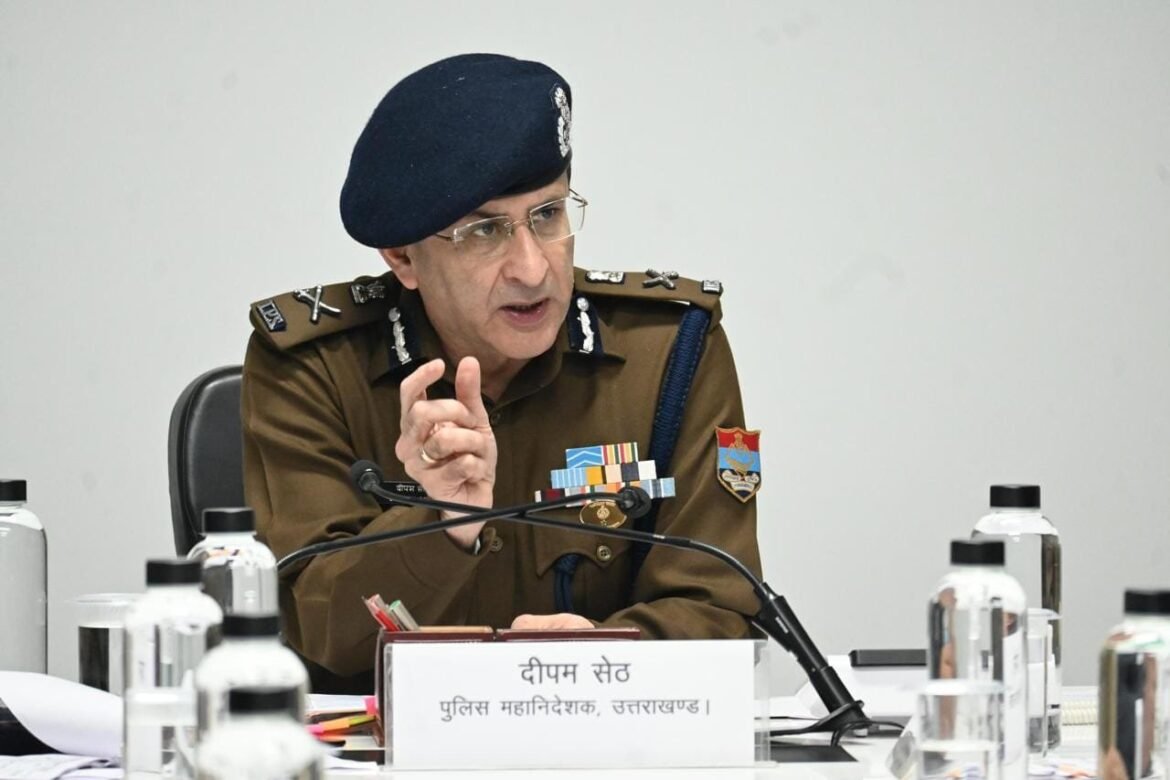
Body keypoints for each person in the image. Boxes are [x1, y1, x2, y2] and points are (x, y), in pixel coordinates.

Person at [241, 53, 764, 692]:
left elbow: (724, 609)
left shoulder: (671, 355)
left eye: (548, 215)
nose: (533, 269)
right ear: (403, 258)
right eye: (485, 231)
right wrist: (443, 525)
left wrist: (601, 659)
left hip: (606, 731)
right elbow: (324, 634)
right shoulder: (313, 368)